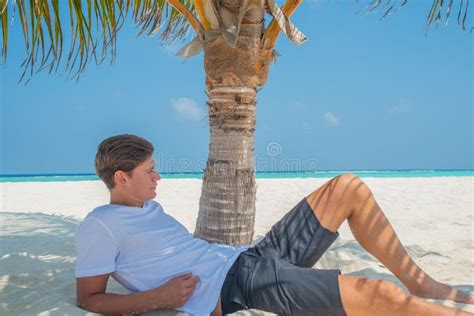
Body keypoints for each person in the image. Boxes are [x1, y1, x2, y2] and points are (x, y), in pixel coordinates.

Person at [75, 134, 473, 316]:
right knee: (379, 295)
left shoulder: (147, 209)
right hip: (239, 284)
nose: (158, 177)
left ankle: (420, 281)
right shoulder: (101, 225)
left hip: (251, 258)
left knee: (347, 186)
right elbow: (89, 299)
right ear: (122, 178)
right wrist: (157, 299)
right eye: (149, 171)